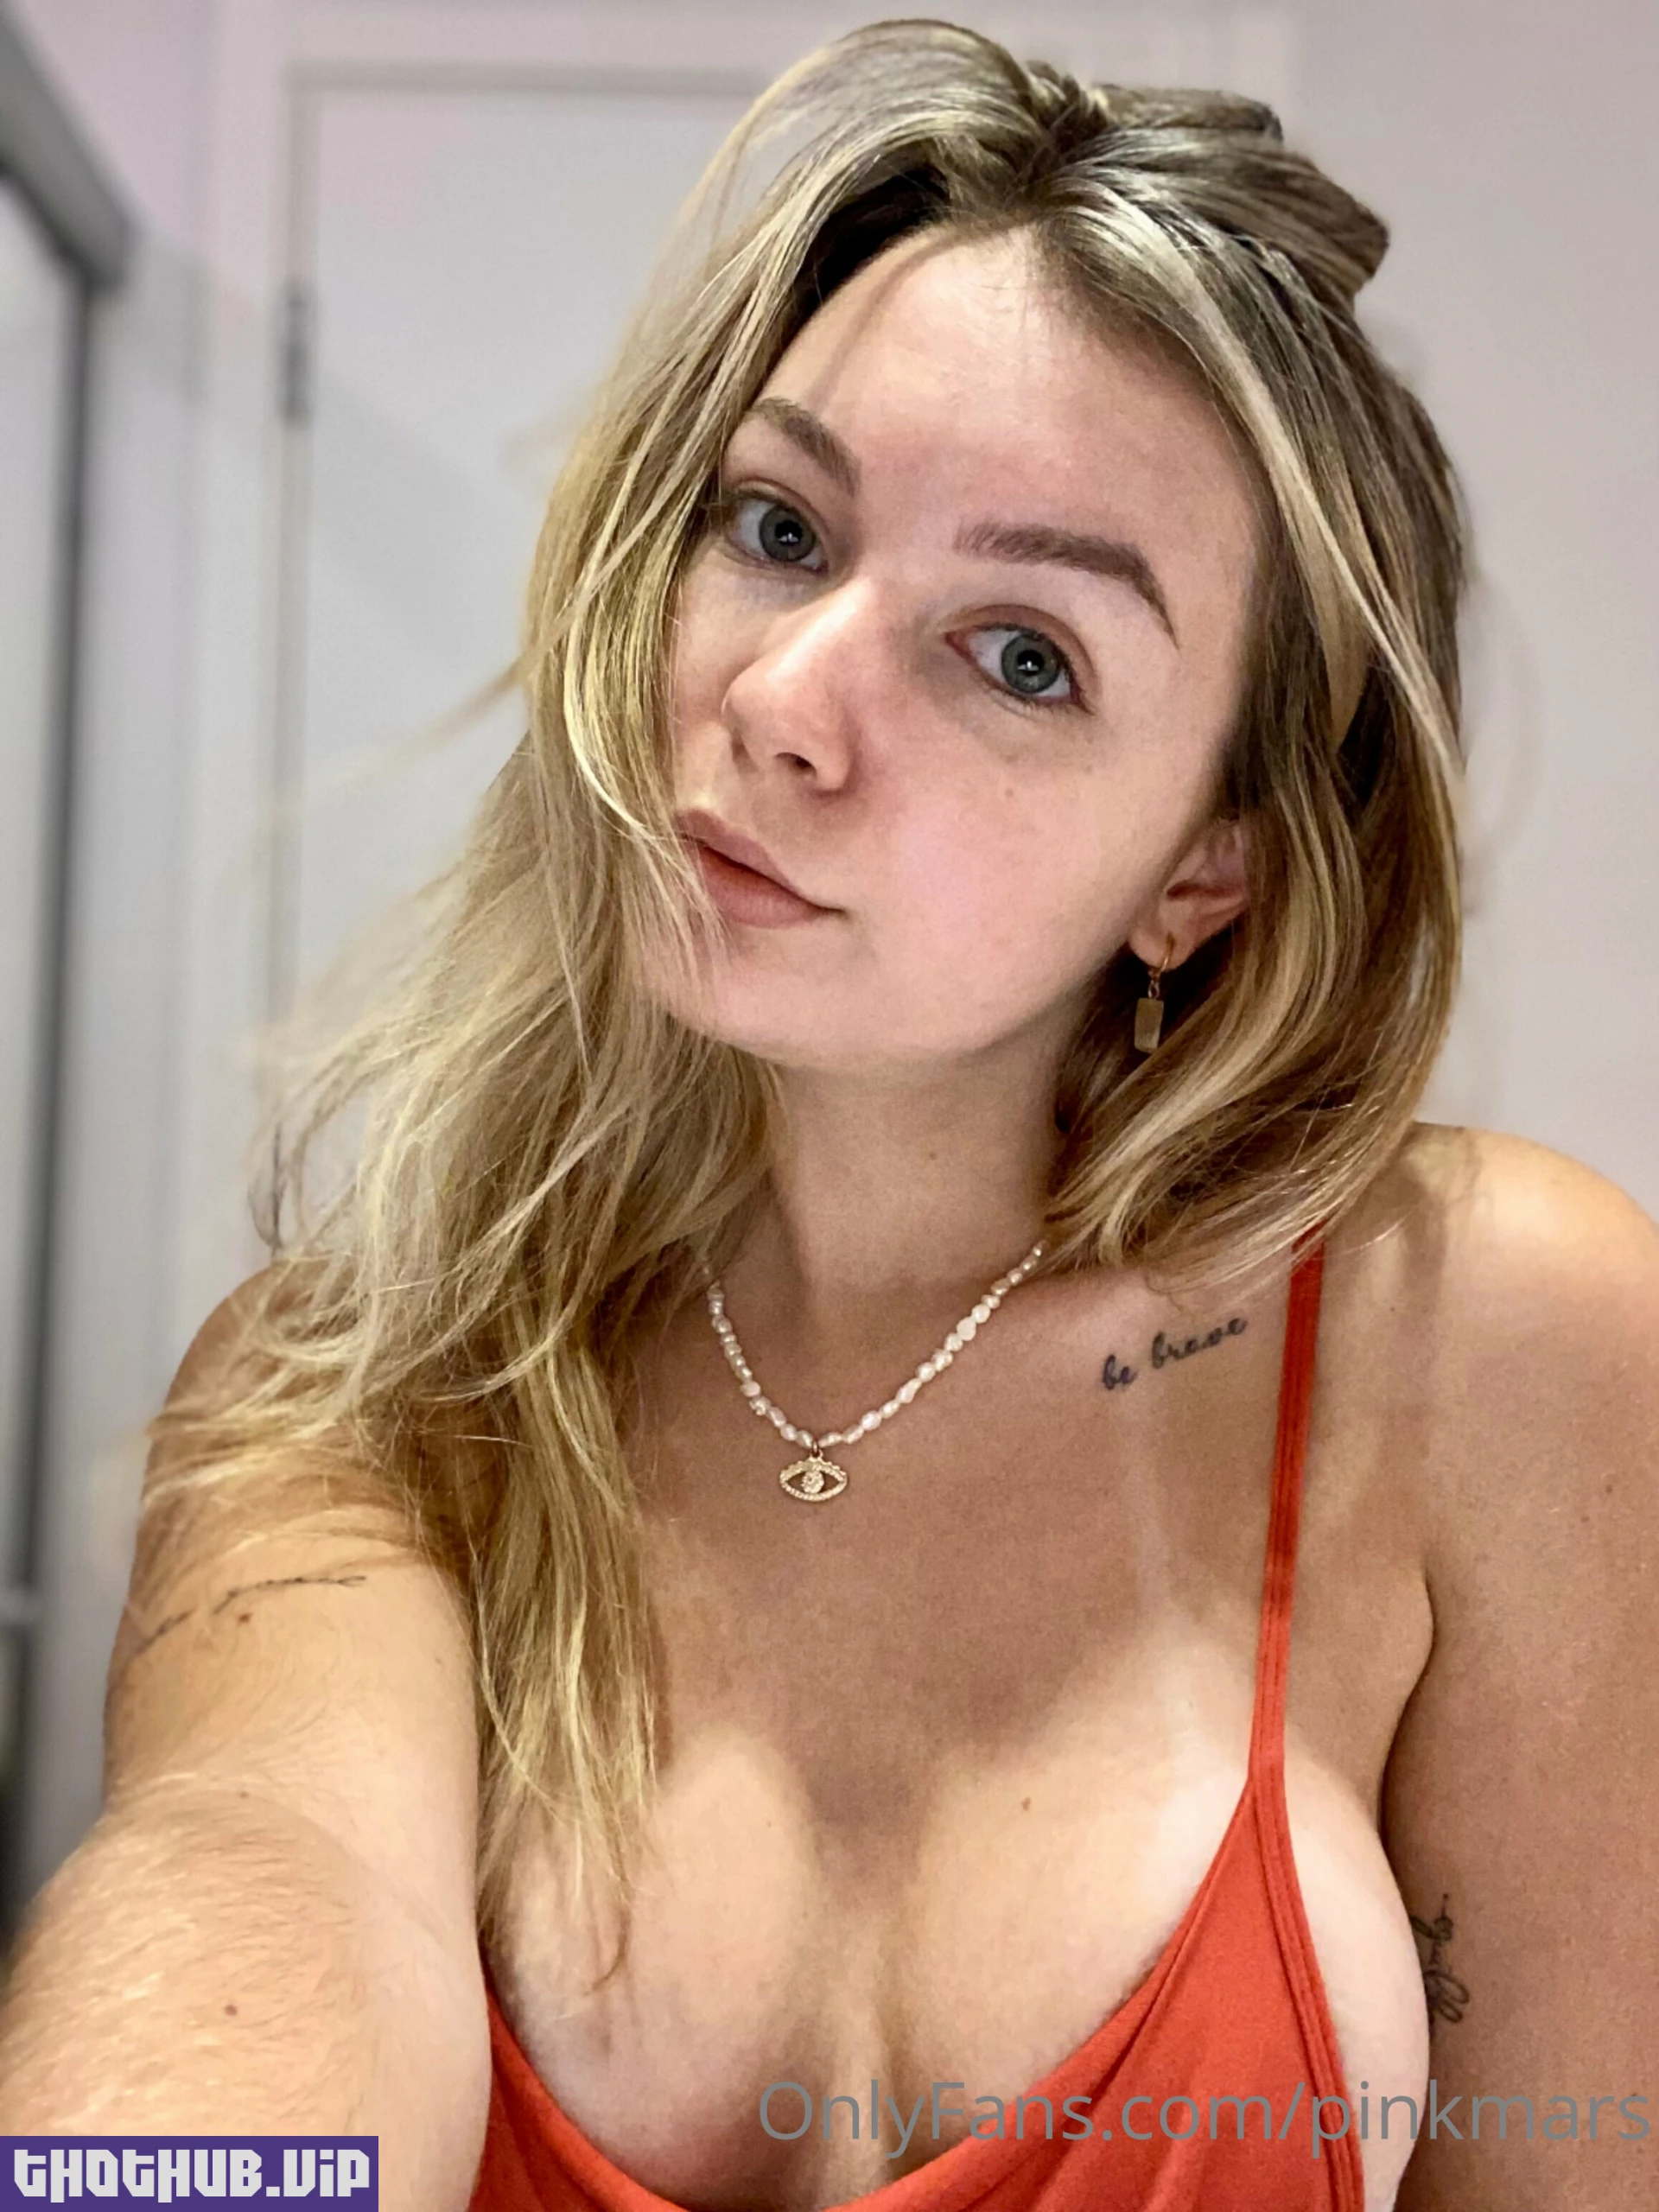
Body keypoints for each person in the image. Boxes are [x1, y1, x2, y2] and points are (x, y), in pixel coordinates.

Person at [1, 19, 1654, 2212]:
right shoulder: (370, 1393)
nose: (782, 699)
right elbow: (249, 1873)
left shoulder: (1486, 1338)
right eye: (776, 528)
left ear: (1207, 868)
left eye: (1023, 653)